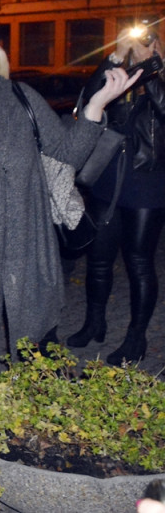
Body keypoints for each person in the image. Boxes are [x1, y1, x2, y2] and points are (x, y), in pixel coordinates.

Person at [0, 22, 135, 384]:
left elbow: (67, 152)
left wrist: (96, 105)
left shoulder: (19, 98)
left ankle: (40, 433)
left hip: (26, 249)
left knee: (39, 360)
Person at [67, 26, 165, 365]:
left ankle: (136, 338)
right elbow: (89, 100)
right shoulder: (123, 71)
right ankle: (94, 322)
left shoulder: (157, 75)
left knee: (139, 261)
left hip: (147, 179)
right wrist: (115, 56)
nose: (142, 43)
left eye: (150, 39)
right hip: (109, 173)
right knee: (98, 255)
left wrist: (150, 66)